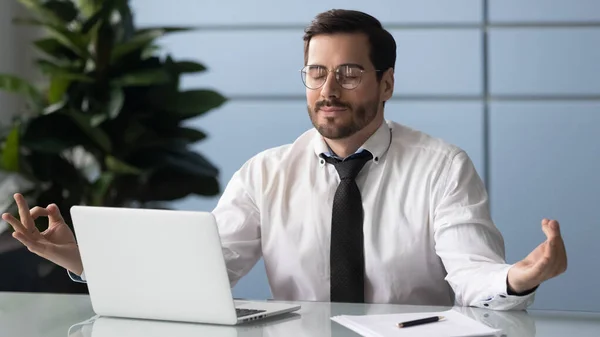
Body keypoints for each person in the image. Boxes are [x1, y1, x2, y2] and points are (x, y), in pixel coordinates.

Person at [3, 9, 567, 310]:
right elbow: (202, 274)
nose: (329, 89)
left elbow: (474, 278)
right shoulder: (264, 173)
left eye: (349, 73)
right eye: (316, 73)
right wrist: (85, 259)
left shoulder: (443, 167)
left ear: (387, 82)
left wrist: (519, 277)